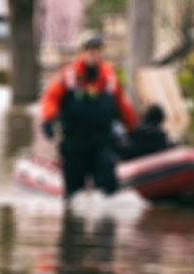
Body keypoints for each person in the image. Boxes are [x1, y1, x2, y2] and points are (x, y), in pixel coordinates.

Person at [39, 34, 137, 198]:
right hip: (75, 142)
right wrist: (47, 119)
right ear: (82, 52)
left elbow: (122, 105)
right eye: (90, 50)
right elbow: (50, 98)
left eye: (97, 50)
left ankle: (106, 220)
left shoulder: (109, 77)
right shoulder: (67, 75)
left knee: (108, 186)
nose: (93, 54)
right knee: (73, 192)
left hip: (102, 141)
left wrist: (133, 128)